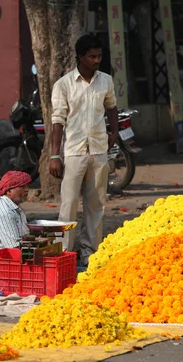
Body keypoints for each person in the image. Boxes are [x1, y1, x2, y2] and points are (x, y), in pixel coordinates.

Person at [49, 34, 119, 268]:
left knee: (96, 203)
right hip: (74, 151)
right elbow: (57, 121)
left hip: (99, 150)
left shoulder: (106, 81)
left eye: (99, 56)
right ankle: (64, 253)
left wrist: (114, 134)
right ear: (80, 57)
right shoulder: (64, 84)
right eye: (92, 56)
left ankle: (90, 252)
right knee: (68, 204)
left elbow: (112, 107)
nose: (97, 60)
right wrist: (54, 155)